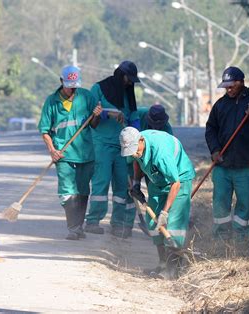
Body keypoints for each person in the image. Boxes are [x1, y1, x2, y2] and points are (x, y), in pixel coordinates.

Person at [205, 66, 249, 240]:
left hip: (246, 165)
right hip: (222, 165)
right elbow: (210, 129)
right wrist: (214, 150)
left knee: (244, 204)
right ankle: (220, 238)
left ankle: (241, 238)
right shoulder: (220, 105)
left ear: (241, 82)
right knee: (220, 202)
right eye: (226, 86)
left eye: (231, 85)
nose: (228, 89)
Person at [120, 127, 195, 278]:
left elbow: (175, 183)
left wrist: (165, 212)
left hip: (179, 179)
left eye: (135, 149)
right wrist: (136, 182)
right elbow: (137, 161)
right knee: (152, 222)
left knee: (174, 224)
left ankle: (173, 269)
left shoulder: (161, 155)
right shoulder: (135, 147)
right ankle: (162, 264)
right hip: (157, 179)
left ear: (141, 140)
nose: (134, 153)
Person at [38, 65, 102, 240]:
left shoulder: (87, 97)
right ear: (61, 82)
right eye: (69, 85)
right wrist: (52, 151)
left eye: (75, 85)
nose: (72, 89)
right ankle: (73, 227)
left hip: (85, 153)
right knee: (67, 192)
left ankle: (78, 226)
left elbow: (94, 125)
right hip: (63, 154)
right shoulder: (51, 102)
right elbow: (44, 130)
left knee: (82, 191)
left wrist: (96, 115)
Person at [85, 61, 140, 238]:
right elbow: (90, 116)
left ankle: (118, 224)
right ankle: (92, 221)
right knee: (101, 182)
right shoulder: (99, 88)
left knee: (122, 186)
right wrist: (107, 112)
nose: (129, 83)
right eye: (128, 79)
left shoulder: (128, 94)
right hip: (102, 144)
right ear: (119, 75)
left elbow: (134, 118)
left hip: (123, 147)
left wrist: (139, 139)